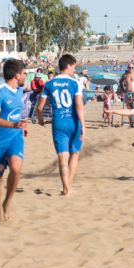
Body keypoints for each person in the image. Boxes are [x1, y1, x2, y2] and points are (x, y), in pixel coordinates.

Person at [36, 54, 86, 196]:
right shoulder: (75, 83)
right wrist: (83, 125)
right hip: (73, 121)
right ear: (68, 66)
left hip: (58, 122)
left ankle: (65, 188)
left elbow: (39, 108)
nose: (74, 71)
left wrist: (40, 120)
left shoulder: (49, 84)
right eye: (74, 67)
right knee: (74, 154)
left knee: (62, 157)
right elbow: (78, 105)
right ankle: (68, 186)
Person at [0, 58, 28, 223]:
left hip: (15, 138)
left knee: (16, 170)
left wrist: (22, 125)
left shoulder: (20, 91)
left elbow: (17, 114)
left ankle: (7, 202)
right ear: (17, 75)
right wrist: (14, 124)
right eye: (24, 73)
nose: (26, 76)